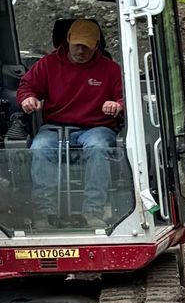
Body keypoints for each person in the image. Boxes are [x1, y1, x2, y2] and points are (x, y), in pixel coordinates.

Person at [17, 12, 124, 212]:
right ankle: (45, 212)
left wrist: (117, 104)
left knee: (98, 147)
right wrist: (28, 98)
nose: (81, 51)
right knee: (39, 148)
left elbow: (125, 97)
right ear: (68, 40)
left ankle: (93, 211)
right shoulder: (48, 64)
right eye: (77, 45)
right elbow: (26, 86)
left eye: (87, 47)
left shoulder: (111, 69)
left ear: (97, 44)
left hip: (97, 127)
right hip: (55, 127)